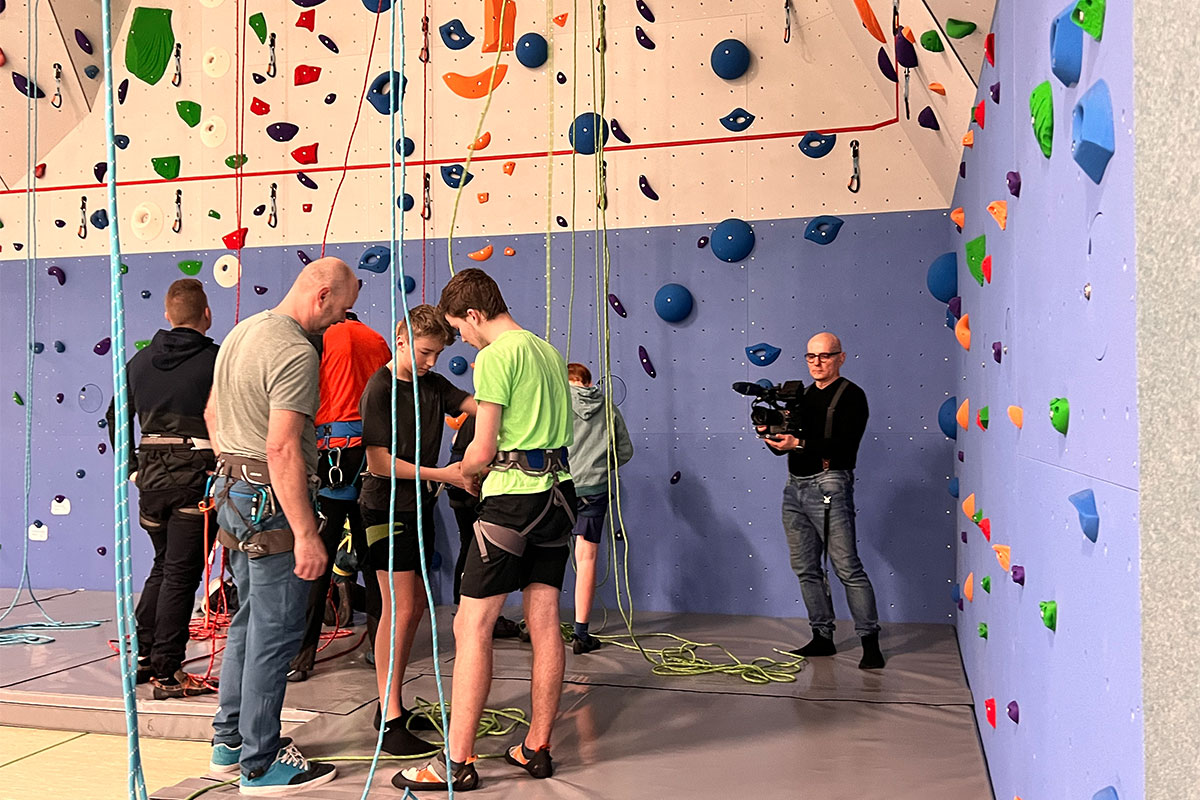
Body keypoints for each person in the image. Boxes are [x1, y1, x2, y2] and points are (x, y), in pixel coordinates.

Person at [394, 268, 577, 792]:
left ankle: (455, 762)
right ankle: (536, 747)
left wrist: (461, 475)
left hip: (513, 500)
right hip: (560, 496)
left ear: (474, 314)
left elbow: (482, 445)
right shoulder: (545, 349)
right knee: (544, 621)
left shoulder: (496, 356)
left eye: (461, 328)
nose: (464, 340)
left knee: (470, 626)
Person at [203, 257, 357, 794]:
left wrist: (236, 470)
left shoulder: (243, 332)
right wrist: (308, 534)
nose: (338, 323)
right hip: (270, 501)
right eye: (339, 312)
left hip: (233, 489)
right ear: (321, 297)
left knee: (248, 620)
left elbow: (212, 414)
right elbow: (284, 446)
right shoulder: (294, 350)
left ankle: (230, 741)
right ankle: (260, 763)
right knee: (275, 632)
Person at [357, 304, 477, 755]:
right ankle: (389, 718)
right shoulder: (380, 388)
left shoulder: (433, 384)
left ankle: (393, 704)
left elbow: (474, 404)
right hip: (384, 508)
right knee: (401, 608)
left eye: (438, 355)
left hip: (418, 507)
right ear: (401, 338)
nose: (430, 362)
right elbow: (379, 463)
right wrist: (443, 474)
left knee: (415, 608)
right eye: (425, 352)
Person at [105, 279, 219, 699]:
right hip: (195, 476)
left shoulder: (138, 362)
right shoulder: (215, 360)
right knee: (179, 573)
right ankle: (168, 672)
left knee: (163, 565)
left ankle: (145, 656)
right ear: (206, 314)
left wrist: (131, 467)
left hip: (151, 478)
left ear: (168, 316)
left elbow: (116, 415)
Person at [760, 332, 885, 670]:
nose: (817, 363)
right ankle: (822, 637)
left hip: (830, 482)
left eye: (825, 356)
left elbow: (845, 448)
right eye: (811, 357)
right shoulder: (799, 397)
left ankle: (870, 643)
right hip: (795, 486)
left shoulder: (851, 396)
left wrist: (797, 444)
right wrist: (773, 437)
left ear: (841, 358)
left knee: (847, 567)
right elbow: (790, 441)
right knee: (805, 567)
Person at [287, 311, 391, 683]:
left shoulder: (321, 340)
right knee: (374, 562)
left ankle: (301, 656)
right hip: (371, 457)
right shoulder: (378, 340)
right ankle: (381, 649)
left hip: (332, 454)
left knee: (318, 558)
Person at [565, 362, 633, 654]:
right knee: (587, 558)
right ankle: (581, 633)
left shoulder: (555, 402)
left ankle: (533, 624)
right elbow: (625, 451)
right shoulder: (608, 408)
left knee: (548, 553)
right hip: (595, 489)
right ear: (587, 381)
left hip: (560, 487)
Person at [446, 413, 523, 640]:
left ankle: (464, 610)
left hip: (461, 491)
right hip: (469, 491)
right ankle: (473, 612)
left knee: (468, 546)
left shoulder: (472, 417)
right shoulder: (483, 417)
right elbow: (478, 459)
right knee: (476, 549)